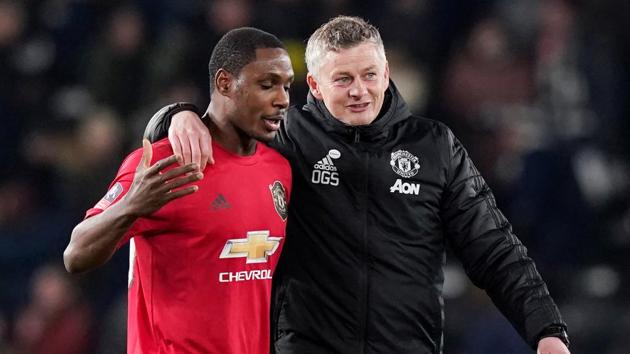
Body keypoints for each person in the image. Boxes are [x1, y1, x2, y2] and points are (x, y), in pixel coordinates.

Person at [146, 16, 570, 354]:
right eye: (343, 79)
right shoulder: (286, 136)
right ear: (313, 84)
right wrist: (175, 116)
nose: (360, 91)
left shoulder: (435, 146)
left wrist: (546, 330)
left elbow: (494, 248)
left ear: (386, 72)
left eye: (369, 75)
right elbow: (219, 123)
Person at [63, 27, 294, 353]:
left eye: (286, 86)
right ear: (225, 83)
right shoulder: (164, 160)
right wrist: (131, 206)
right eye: (267, 85)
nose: (282, 99)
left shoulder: (279, 171)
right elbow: (75, 255)